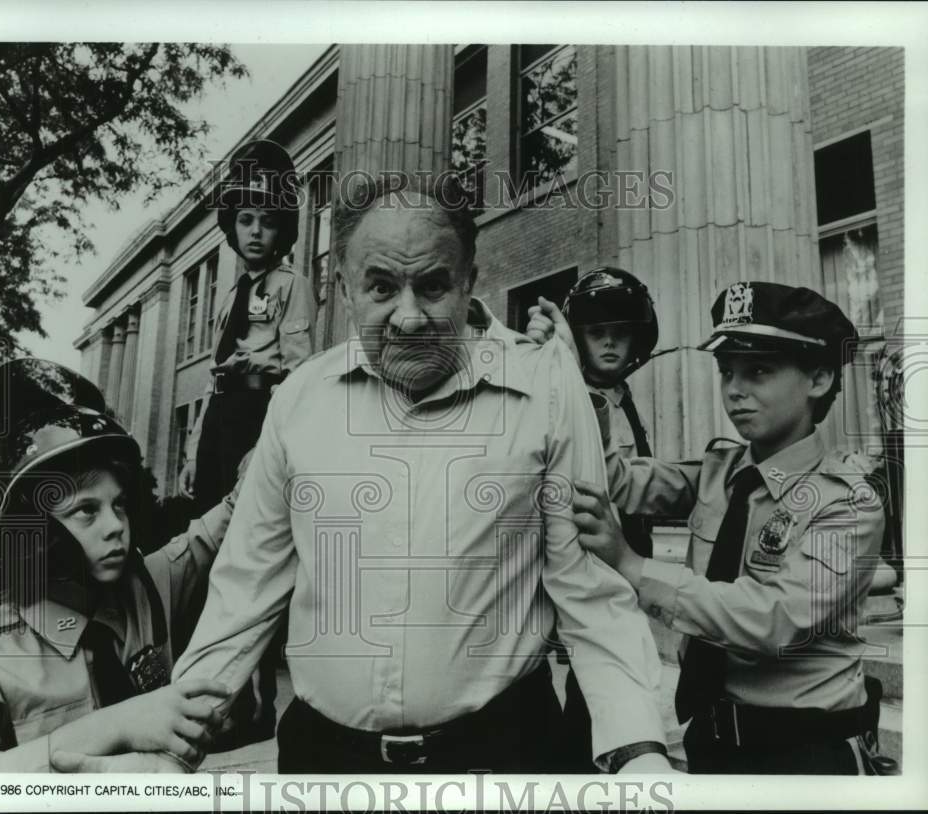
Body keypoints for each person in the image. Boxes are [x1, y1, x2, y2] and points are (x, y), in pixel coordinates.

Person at [59, 172, 672, 774]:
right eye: (381, 288)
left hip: (502, 757)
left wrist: (640, 755)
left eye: (433, 287)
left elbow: (591, 596)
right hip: (325, 764)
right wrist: (174, 741)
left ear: (469, 283)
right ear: (345, 289)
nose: (408, 317)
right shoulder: (299, 401)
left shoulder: (547, 386)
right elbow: (244, 592)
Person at [571, 282, 890, 774]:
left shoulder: (847, 499)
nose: (735, 390)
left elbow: (774, 619)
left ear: (820, 378)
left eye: (758, 371)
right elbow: (617, 481)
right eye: (726, 372)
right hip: (712, 738)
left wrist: (633, 567)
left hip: (802, 753)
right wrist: (587, 382)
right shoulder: (723, 471)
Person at [0, 359, 233, 772]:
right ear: (28, 532)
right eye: (86, 510)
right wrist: (113, 726)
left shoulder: (147, 588)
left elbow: (227, 523)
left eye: (119, 504)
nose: (116, 526)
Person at [177, 138, 316, 740]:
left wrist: (262, 448)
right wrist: (191, 455)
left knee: (249, 564)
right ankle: (217, 694)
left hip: (260, 421)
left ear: (284, 227)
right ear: (231, 227)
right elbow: (214, 377)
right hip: (220, 424)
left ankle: (256, 703)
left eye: (267, 220)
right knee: (210, 565)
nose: (256, 231)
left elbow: (303, 373)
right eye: (245, 219)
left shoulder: (293, 285)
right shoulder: (233, 295)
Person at [526, 267, 660, 771]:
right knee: (582, 713)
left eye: (620, 332)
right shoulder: (566, 391)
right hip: (578, 575)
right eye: (596, 332)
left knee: (602, 704)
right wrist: (546, 352)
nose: (609, 343)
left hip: (618, 565)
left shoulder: (621, 398)